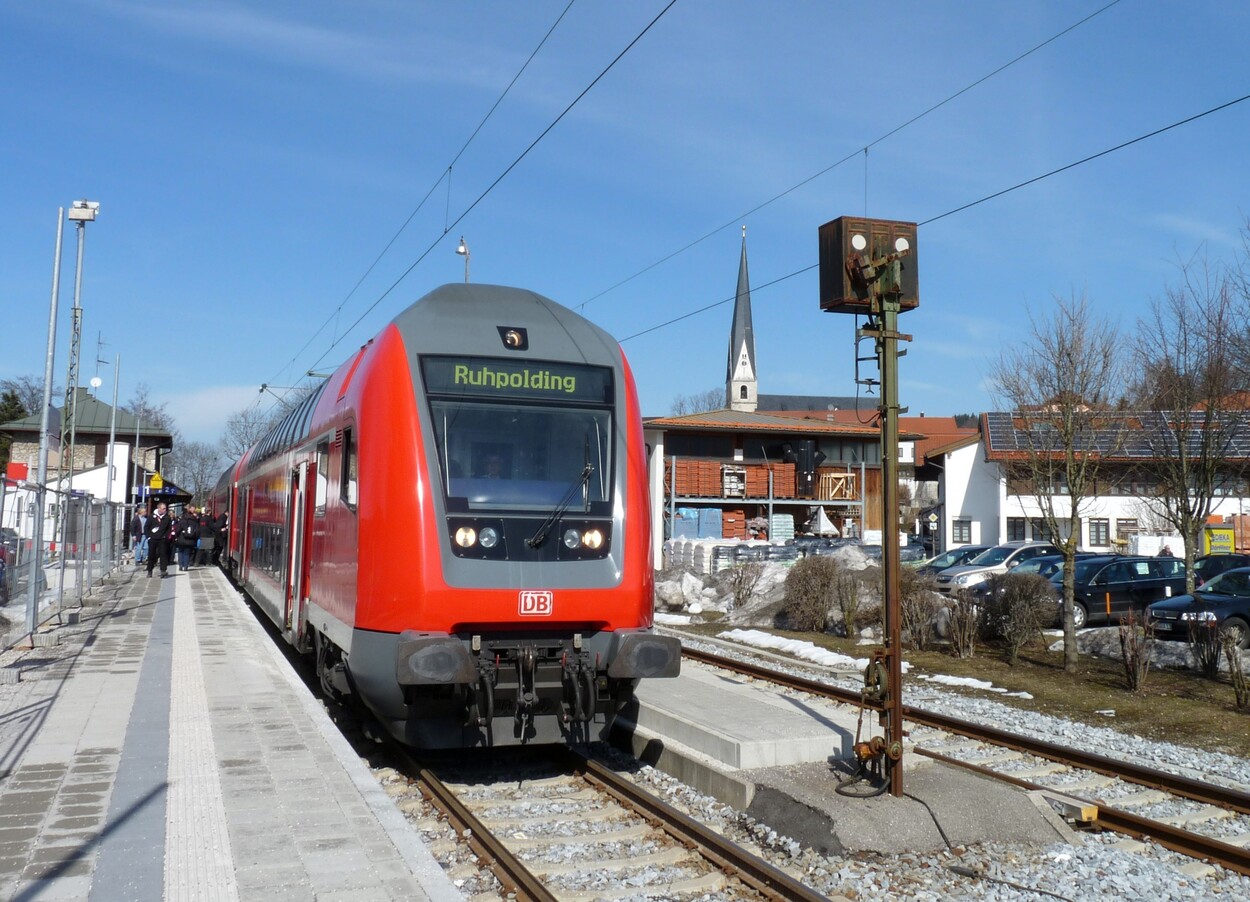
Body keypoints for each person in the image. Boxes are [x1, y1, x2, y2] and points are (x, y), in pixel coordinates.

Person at [145, 502, 173, 578]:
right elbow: (146, 527)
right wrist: (148, 537)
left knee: (163, 555)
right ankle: (149, 570)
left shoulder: (167, 517)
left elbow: (169, 528)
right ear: (159, 508)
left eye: (165, 508)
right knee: (151, 555)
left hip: (162, 539)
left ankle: (163, 570)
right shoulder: (151, 516)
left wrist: (166, 536)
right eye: (163, 508)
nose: (164, 510)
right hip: (153, 539)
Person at [173, 506, 200, 571]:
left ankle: (180, 565)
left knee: (180, 552)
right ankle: (185, 566)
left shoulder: (182, 520)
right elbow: (197, 531)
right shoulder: (194, 521)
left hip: (181, 539)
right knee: (187, 553)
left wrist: (177, 536)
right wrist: (194, 538)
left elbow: (178, 530)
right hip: (190, 539)